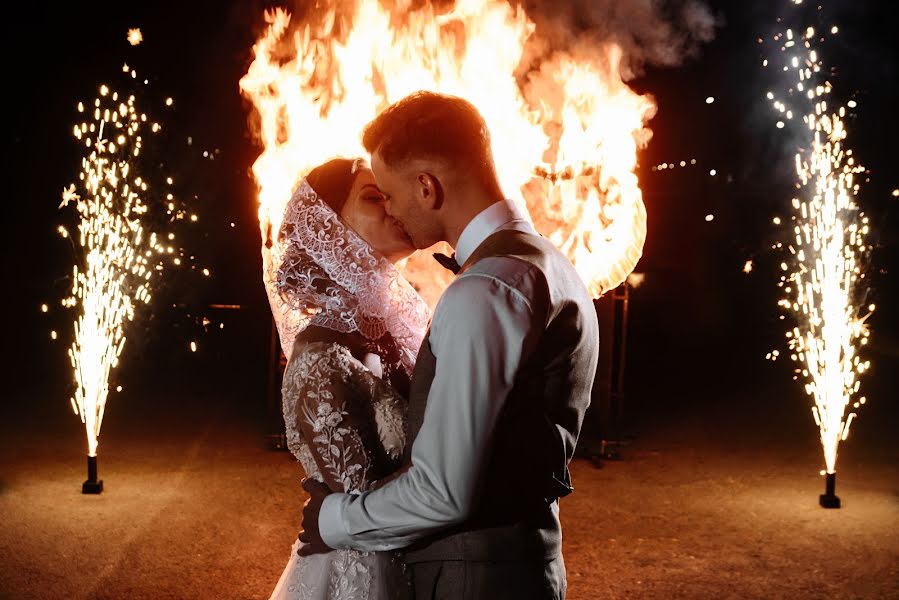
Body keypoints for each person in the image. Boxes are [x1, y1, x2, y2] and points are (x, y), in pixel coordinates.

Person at [298, 92, 600, 599]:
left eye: (389, 194)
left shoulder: (485, 290)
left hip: (473, 577)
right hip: (524, 563)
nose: (391, 210)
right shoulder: (549, 262)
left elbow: (443, 492)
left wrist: (331, 519)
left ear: (426, 186)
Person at [266, 157, 431, 600]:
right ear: (327, 228)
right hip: (365, 575)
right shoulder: (322, 358)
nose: (393, 206)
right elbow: (357, 511)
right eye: (374, 198)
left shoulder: (397, 330)